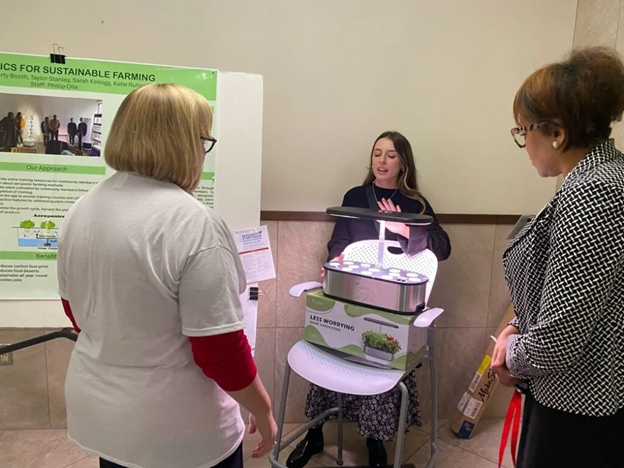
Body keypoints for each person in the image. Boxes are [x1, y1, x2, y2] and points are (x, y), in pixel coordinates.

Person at [57, 83, 277, 468]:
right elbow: (220, 350)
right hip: (180, 435)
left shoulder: (81, 210)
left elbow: (76, 312)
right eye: (203, 140)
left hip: (104, 419)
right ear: (185, 143)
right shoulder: (194, 224)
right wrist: (264, 408)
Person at [492, 46, 624, 468]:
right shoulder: (596, 178)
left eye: (522, 131)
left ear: (556, 134)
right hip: (569, 393)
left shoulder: (594, 192)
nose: (523, 142)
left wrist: (509, 354)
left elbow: (559, 339)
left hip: (577, 406)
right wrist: (515, 325)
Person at [287, 131, 451, 468]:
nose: (382, 160)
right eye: (377, 153)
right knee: (329, 353)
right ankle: (315, 434)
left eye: (391, 155)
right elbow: (339, 240)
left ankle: (375, 444)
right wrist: (333, 264)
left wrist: (404, 230)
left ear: (403, 162)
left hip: (390, 305)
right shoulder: (356, 196)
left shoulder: (415, 204)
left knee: (380, 365)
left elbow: (443, 247)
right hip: (351, 296)